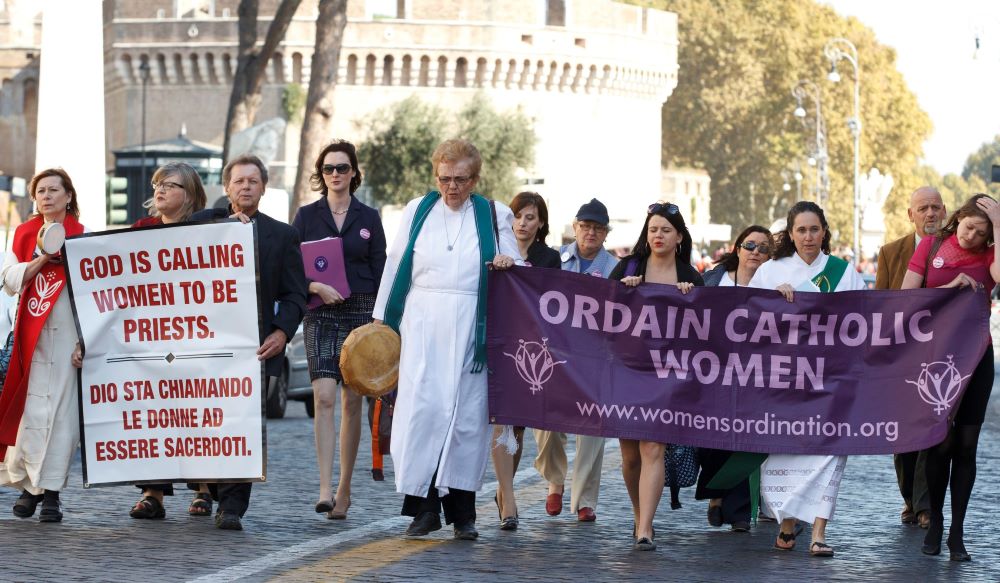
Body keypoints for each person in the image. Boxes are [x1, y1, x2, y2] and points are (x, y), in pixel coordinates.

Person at [372, 139, 519, 541]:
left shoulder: (493, 214)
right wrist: (384, 326)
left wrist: (508, 263)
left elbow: (515, 265)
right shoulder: (418, 210)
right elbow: (396, 263)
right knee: (422, 414)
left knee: (466, 420)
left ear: (475, 179)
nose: (451, 187)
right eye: (444, 179)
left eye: (460, 179)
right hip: (422, 324)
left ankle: (463, 512)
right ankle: (423, 508)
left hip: (474, 327)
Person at [190, 154, 308, 530]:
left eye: (252, 181)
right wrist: (224, 225)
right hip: (203, 344)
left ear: (263, 188)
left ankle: (232, 506)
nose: (245, 187)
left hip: (253, 348)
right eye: (238, 181)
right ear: (226, 188)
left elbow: (295, 295)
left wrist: (281, 332)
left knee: (241, 425)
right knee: (205, 422)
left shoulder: (283, 235)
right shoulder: (203, 224)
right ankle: (204, 487)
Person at [748, 201, 866, 557]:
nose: (808, 237)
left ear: (824, 232)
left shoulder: (843, 273)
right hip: (785, 381)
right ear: (791, 233)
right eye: (801, 230)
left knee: (829, 453)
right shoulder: (770, 272)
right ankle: (786, 524)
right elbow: (746, 319)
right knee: (787, 453)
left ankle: (818, 533)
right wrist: (773, 301)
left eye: (815, 229)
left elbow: (862, 320)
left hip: (831, 381)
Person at [901, 194, 1000, 562]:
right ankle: (936, 521)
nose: (972, 236)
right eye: (969, 226)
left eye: (982, 232)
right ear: (957, 218)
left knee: (967, 446)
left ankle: (958, 531)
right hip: (935, 357)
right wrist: (948, 288)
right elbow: (906, 297)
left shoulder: (990, 253)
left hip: (976, 355)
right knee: (939, 443)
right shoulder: (932, 246)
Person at [292, 140, 387, 519]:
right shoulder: (305, 216)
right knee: (325, 397)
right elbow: (292, 266)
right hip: (321, 311)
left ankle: (345, 489)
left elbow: (382, 271)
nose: (335, 174)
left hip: (361, 310)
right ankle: (324, 487)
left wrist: (383, 320)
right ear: (321, 174)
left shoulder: (369, 217)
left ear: (353, 173)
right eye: (329, 168)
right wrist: (314, 286)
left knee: (352, 402)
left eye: (342, 168)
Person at [610, 201, 703, 550]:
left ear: (678, 236)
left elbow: (704, 328)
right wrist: (623, 290)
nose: (659, 235)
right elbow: (599, 312)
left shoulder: (690, 276)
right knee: (631, 456)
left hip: (667, 375)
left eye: (666, 229)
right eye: (653, 229)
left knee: (653, 448)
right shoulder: (627, 266)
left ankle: (646, 527)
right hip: (627, 371)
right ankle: (638, 515)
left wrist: (693, 299)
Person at [120, 162, 210, 519]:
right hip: (151, 338)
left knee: (195, 412)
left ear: (188, 194)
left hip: (194, 335)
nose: (159, 190)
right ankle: (152, 492)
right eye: (157, 184)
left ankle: (204, 489)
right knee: (154, 414)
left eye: (170, 185)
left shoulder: (207, 231)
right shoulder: (141, 229)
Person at [0, 168, 86, 522]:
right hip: (30, 335)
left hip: (68, 335)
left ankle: (51, 494)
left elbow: (96, 293)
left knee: (62, 416)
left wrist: (85, 340)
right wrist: (42, 259)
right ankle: (28, 489)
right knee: (32, 413)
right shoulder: (22, 234)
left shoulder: (84, 236)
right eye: (41, 191)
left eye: (54, 190)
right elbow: (8, 278)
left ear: (69, 196)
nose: (47, 196)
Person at [533, 198, 618, 522]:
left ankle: (585, 499)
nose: (591, 233)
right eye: (585, 226)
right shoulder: (557, 259)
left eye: (597, 228)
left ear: (606, 233)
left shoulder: (616, 267)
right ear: (575, 227)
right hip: (555, 353)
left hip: (597, 357)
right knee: (545, 424)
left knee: (593, 430)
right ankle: (555, 481)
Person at [875, 186, 946, 529]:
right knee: (902, 434)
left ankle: (925, 505)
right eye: (923, 208)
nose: (930, 213)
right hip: (902, 356)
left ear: (945, 212)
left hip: (943, 356)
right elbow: (880, 304)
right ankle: (910, 498)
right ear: (911, 214)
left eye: (935, 207)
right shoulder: (891, 252)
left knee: (933, 428)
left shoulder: (957, 249)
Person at [696, 225, 773, 532]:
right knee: (712, 439)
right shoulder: (712, 279)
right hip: (712, 373)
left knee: (745, 438)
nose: (756, 251)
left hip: (755, 374)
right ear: (738, 248)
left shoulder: (775, 284)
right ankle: (716, 496)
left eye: (764, 248)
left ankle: (740, 512)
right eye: (750, 245)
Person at [491, 191, 560, 531]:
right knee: (501, 422)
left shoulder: (550, 258)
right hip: (497, 343)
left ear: (541, 223)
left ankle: (507, 492)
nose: (522, 222)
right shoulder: (493, 248)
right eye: (518, 215)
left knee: (518, 426)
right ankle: (508, 499)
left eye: (530, 217)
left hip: (531, 350)